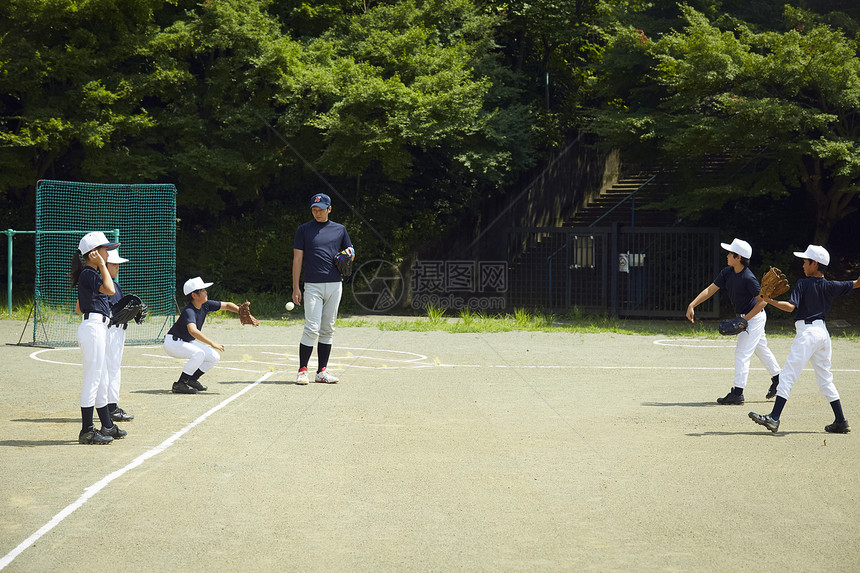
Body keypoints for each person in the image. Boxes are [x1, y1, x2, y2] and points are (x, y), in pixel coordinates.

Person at [750, 245, 859, 433]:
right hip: (823, 335)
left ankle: (774, 418)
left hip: (807, 334)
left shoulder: (803, 283)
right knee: (825, 378)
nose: (803, 264)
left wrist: (770, 301)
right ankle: (841, 420)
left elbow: (791, 307)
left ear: (814, 264)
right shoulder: (831, 285)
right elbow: (856, 283)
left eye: (805, 261)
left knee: (788, 375)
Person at [686, 238, 781, 405]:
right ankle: (779, 379)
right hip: (746, 316)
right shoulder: (727, 272)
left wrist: (745, 320)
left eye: (730, 253)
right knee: (760, 349)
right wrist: (692, 304)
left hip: (754, 317)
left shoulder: (748, 278)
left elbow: (763, 301)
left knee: (742, 353)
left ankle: (738, 393)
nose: (727, 255)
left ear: (738, 257)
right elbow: (710, 289)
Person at [70, 231, 127, 444]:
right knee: (93, 379)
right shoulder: (90, 273)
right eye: (105, 250)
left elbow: (78, 308)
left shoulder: (89, 274)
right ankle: (86, 430)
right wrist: (102, 266)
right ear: (94, 253)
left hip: (97, 327)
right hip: (93, 328)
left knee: (102, 378)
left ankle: (107, 425)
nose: (108, 253)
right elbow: (111, 290)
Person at [292, 193, 354, 384]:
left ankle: (322, 372)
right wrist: (296, 287)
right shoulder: (304, 230)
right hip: (312, 285)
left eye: (320, 209)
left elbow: (351, 251)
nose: (317, 212)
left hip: (335, 284)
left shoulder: (340, 229)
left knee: (328, 328)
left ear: (329, 209)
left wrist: (349, 256)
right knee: (311, 327)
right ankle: (303, 370)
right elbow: (298, 259)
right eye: (314, 209)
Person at [163, 277, 242, 394]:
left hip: (185, 342)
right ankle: (180, 384)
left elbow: (227, 305)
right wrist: (212, 343)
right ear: (194, 295)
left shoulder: (205, 305)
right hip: (173, 343)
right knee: (198, 354)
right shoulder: (189, 310)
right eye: (203, 290)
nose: (206, 292)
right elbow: (193, 331)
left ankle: (192, 379)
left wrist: (242, 312)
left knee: (214, 357)